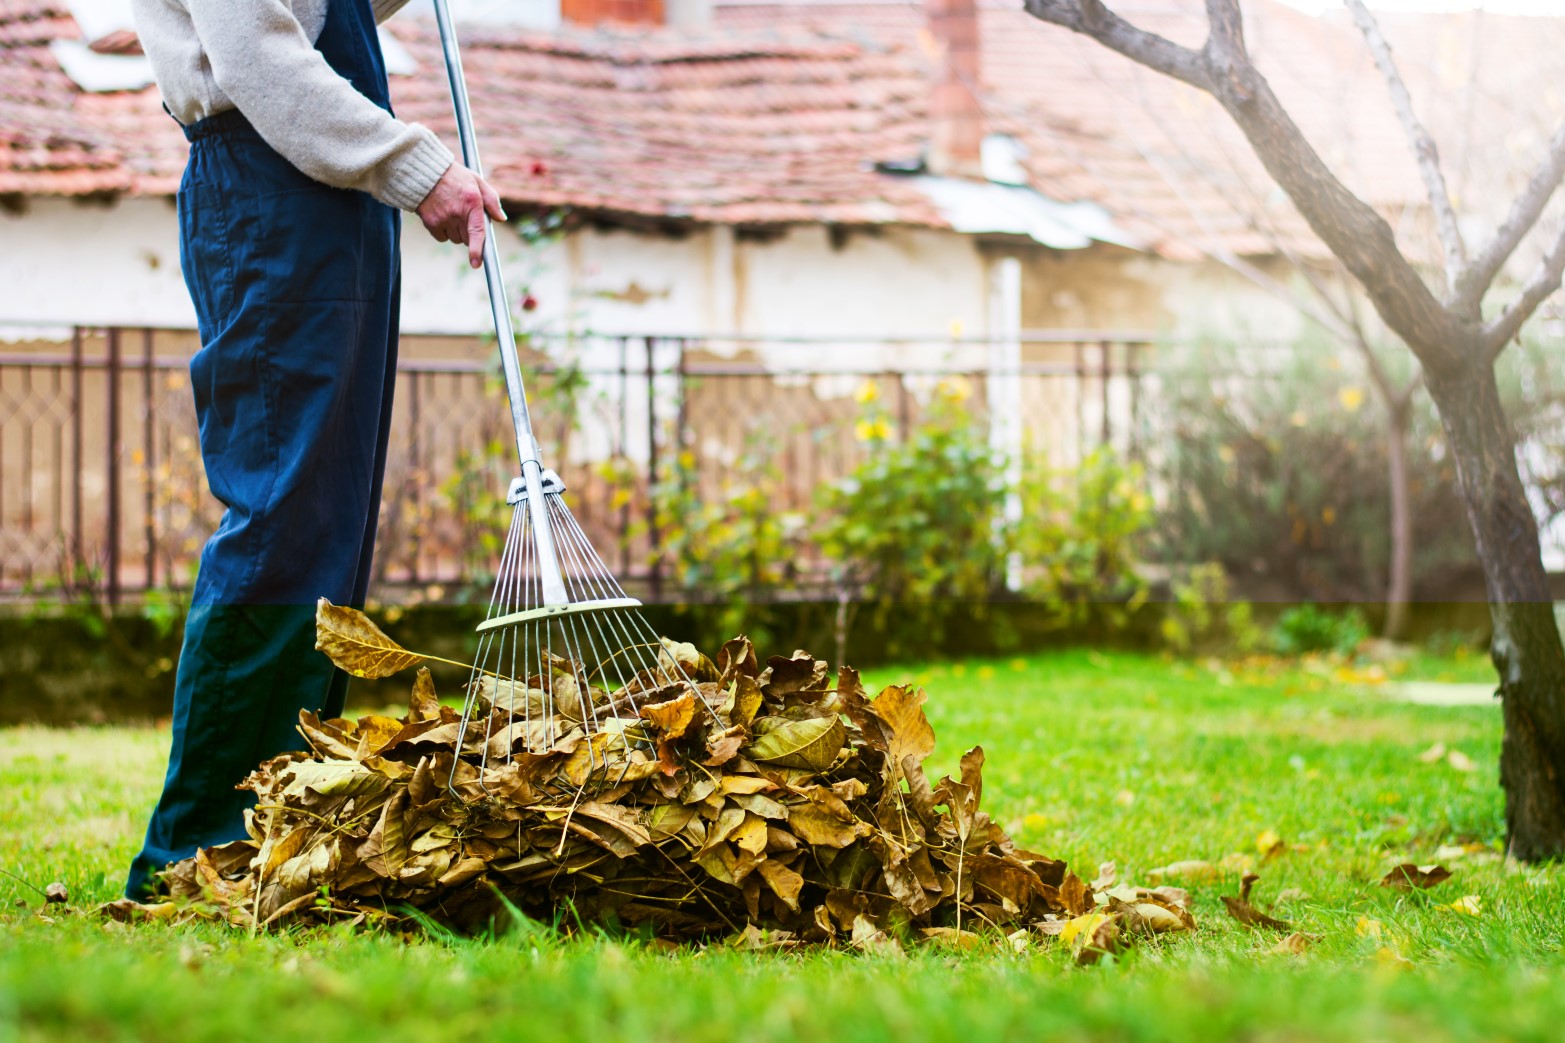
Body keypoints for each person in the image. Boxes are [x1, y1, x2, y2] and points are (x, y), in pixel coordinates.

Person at [125, 0, 502, 899]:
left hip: (325, 199)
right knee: (282, 514)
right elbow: (259, 57)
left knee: (327, 523)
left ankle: (280, 821)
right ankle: (198, 846)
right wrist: (418, 168)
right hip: (269, 184)